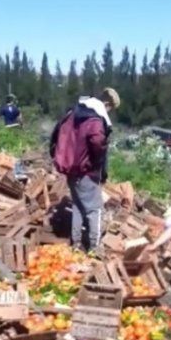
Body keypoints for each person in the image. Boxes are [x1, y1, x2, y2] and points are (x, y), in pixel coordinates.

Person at [50, 88, 120, 253]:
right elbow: (97, 143)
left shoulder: (72, 113)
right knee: (95, 209)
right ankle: (95, 248)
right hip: (85, 170)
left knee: (78, 205)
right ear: (107, 104)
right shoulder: (94, 120)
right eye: (110, 109)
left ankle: (76, 243)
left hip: (70, 168)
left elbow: (55, 134)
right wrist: (98, 163)